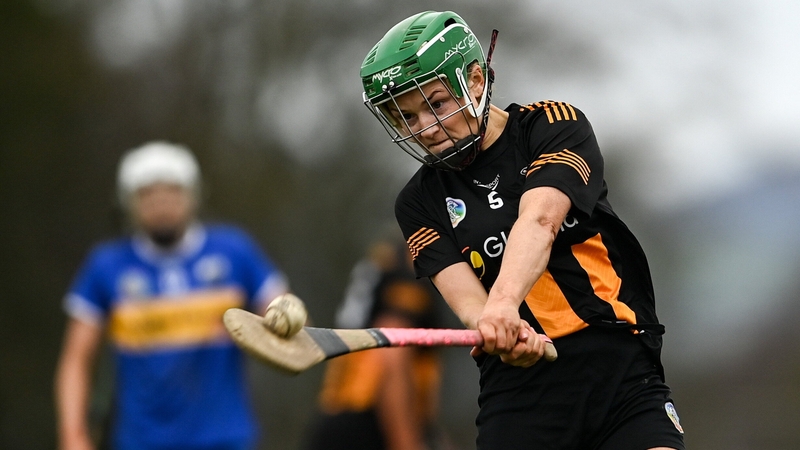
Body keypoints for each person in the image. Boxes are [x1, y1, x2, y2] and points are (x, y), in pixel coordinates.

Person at [358, 10, 685, 450]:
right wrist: (498, 330)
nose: (426, 130)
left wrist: (505, 305)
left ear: (474, 79)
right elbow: (469, 301)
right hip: (520, 393)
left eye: (435, 104)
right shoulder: (417, 203)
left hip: (618, 370)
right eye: (407, 118)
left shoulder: (552, 125)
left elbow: (540, 220)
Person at [54, 141, 289, 450]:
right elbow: (76, 361)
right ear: (128, 203)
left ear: (193, 196)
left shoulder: (234, 251)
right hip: (139, 442)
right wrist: (73, 436)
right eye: (148, 195)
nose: (161, 204)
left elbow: (282, 313)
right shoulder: (106, 266)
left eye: (171, 192)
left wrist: (287, 317)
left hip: (226, 440)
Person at [303, 236, 447, 450]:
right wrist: (407, 443)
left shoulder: (386, 256)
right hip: (371, 420)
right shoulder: (412, 265)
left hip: (339, 416)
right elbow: (392, 353)